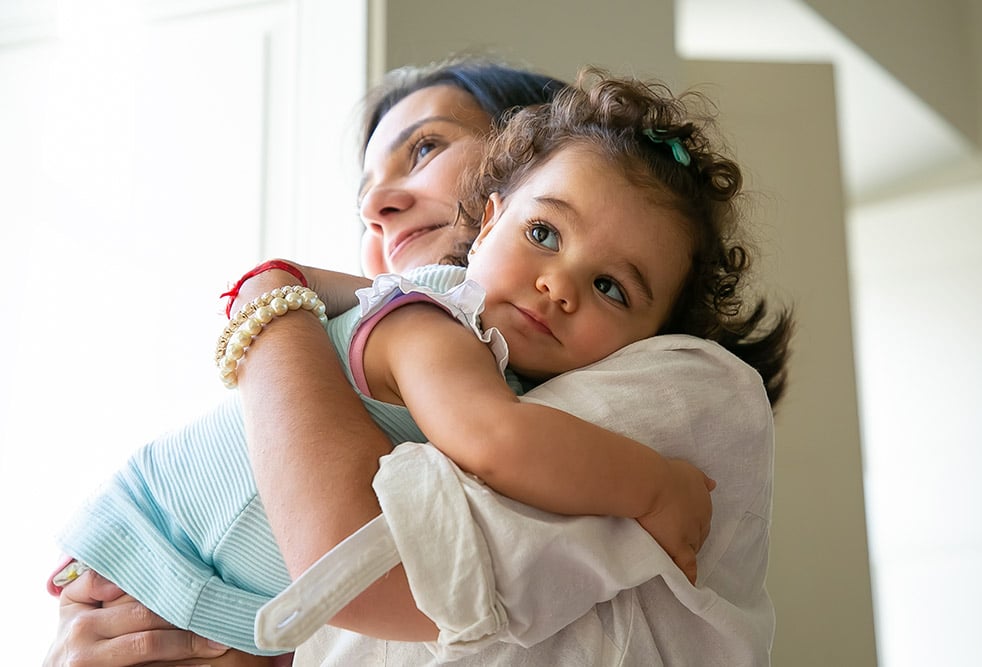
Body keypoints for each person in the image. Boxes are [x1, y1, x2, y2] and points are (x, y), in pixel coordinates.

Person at [46, 58, 792, 667]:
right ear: (497, 212)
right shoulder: (435, 326)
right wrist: (652, 487)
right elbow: (495, 439)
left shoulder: (689, 383)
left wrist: (272, 291)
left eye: (427, 147)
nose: (559, 284)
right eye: (543, 233)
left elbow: (368, 578)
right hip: (162, 553)